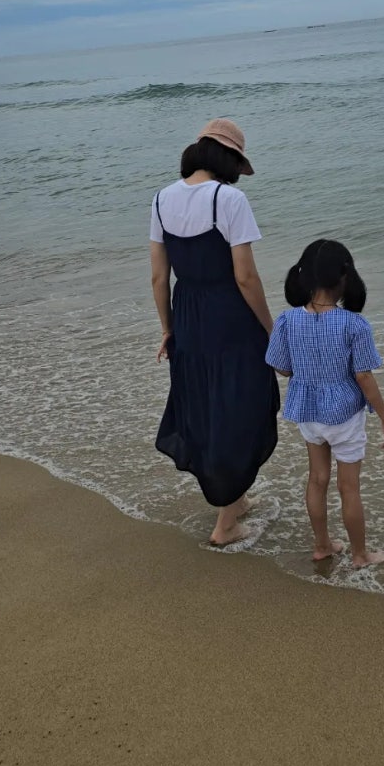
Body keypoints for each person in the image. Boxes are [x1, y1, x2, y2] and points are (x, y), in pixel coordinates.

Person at [151, 118, 280, 546]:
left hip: (188, 313)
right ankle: (226, 524)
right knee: (240, 403)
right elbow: (245, 277)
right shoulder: (230, 199)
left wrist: (168, 328)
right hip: (230, 314)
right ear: (229, 159)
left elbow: (159, 277)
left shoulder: (161, 199)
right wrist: (271, 328)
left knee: (208, 402)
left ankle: (234, 499)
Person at [265, 239, 384, 569]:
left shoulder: (287, 321)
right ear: (344, 278)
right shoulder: (354, 324)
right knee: (349, 488)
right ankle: (360, 555)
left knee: (317, 479)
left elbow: (282, 367)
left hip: (308, 414)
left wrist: (306, 367)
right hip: (344, 415)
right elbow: (363, 375)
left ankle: (322, 545)